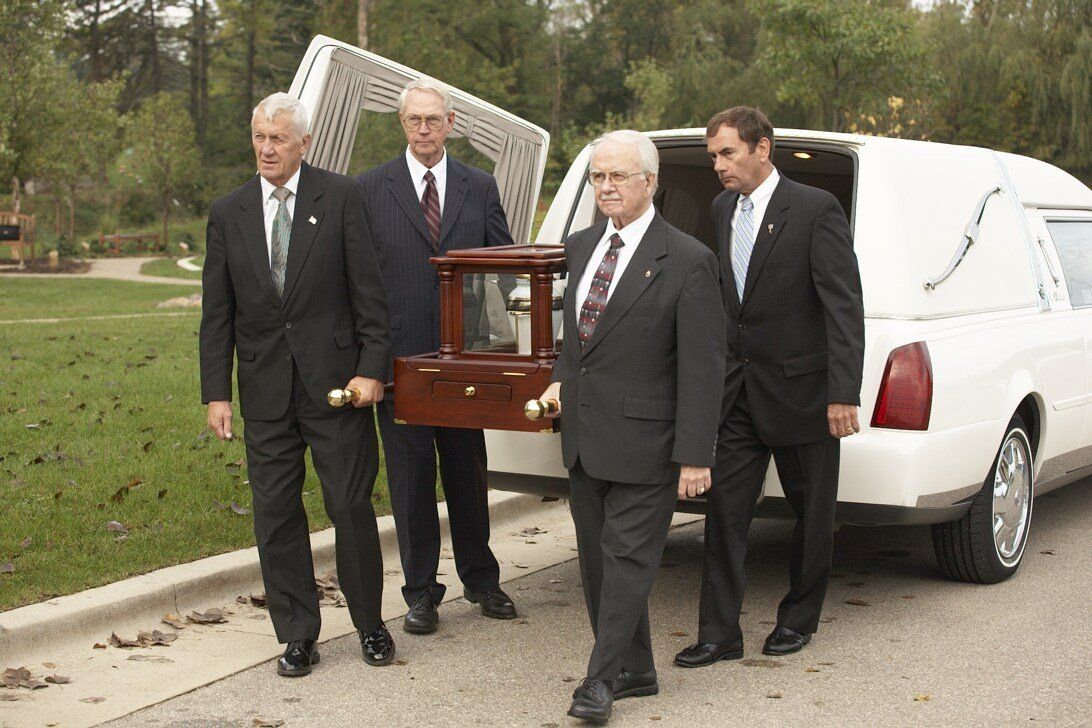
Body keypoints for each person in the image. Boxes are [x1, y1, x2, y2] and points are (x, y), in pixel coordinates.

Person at [200, 92, 395, 676]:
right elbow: (217, 312)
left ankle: (370, 624)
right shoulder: (227, 211)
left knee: (349, 506)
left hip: (337, 390)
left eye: (278, 138)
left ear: (303, 143)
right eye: (259, 136)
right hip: (264, 392)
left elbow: (371, 295)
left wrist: (372, 369)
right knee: (276, 514)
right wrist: (217, 392)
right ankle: (297, 634)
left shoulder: (340, 197)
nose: (266, 148)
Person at [538, 130, 726, 725]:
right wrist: (560, 379)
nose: (607, 187)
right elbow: (581, 338)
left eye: (619, 176)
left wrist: (696, 456)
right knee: (596, 562)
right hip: (585, 440)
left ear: (650, 182)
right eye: (598, 177)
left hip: (651, 443)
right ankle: (638, 669)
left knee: (626, 562)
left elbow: (703, 367)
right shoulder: (580, 244)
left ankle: (599, 682)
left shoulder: (690, 260)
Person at [674, 106, 864, 669]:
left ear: (762, 148)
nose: (718, 166)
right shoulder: (721, 208)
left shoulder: (814, 209)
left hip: (805, 395)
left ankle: (798, 619)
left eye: (727, 153)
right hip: (739, 395)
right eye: (712, 156)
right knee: (725, 512)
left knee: (812, 515)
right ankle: (719, 632)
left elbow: (843, 307)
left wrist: (843, 392)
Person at [356, 78, 517, 635]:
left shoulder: (479, 185)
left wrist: (515, 343)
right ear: (402, 124)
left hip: (465, 359)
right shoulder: (371, 188)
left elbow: (504, 262)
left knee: (467, 472)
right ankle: (421, 591)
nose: (423, 129)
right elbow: (358, 279)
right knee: (409, 477)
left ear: (451, 124)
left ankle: (481, 578)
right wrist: (367, 362)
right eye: (413, 120)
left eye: (433, 120)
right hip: (398, 360)